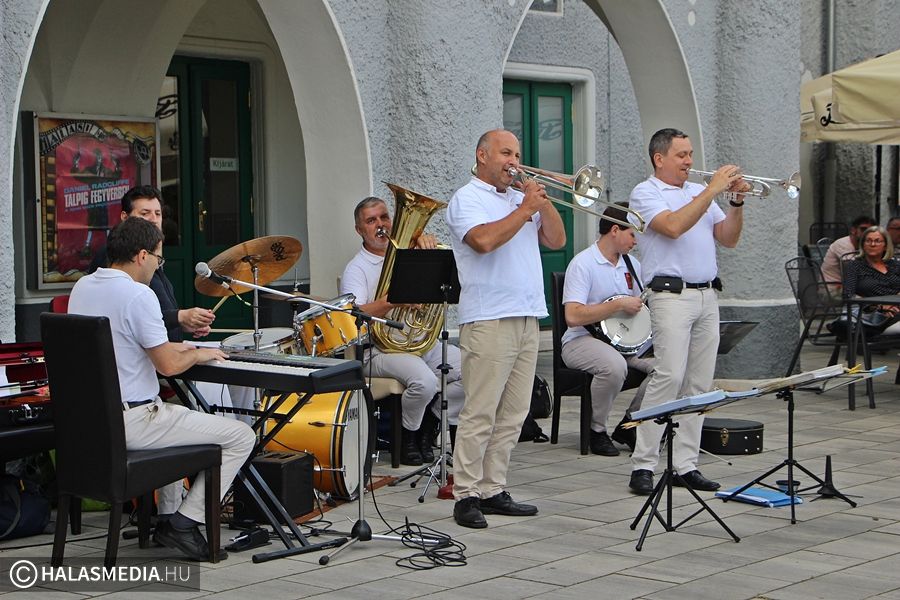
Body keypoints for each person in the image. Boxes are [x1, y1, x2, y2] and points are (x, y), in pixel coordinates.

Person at [69, 217, 255, 561]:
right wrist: (200, 353)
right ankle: (183, 524)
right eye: (158, 258)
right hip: (135, 422)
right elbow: (167, 365)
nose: (158, 266)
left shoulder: (83, 287)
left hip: (91, 425)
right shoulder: (138, 295)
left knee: (180, 418)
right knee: (241, 436)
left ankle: (171, 516)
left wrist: (186, 350)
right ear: (141, 255)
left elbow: (131, 346)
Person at [446, 129, 565, 528]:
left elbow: (556, 238)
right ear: (482, 155)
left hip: (527, 315)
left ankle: (493, 488)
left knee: (514, 413)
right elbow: (482, 241)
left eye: (517, 152)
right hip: (488, 318)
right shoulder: (466, 198)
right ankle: (465, 495)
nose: (514, 161)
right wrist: (524, 208)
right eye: (505, 153)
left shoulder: (520, 199)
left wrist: (541, 202)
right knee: (480, 412)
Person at [626, 128, 748, 495]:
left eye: (691, 154)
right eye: (681, 155)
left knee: (699, 383)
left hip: (707, 295)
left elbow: (728, 238)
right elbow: (674, 227)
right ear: (659, 158)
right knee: (669, 376)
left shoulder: (697, 192)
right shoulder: (645, 193)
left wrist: (736, 204)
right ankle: (643, 464)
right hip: (671, 296)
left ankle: (685, 464)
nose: (690, 162)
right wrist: (713, 189)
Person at [340, 196, 465, 466]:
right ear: (359, 230)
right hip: (378, 348)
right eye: (371, 221)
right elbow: (355, 315)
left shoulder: (409, 253)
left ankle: (432, 420)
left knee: (473, 369)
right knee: (425, 382)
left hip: (417, 343)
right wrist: (394, 299)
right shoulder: (357, 268)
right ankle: (410, 435)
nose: (381, 225)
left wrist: (428, 253)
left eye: (385, 217)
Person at [560, 204, 652, 456]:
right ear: (614, 230)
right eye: (632, 233)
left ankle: (630, 424)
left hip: (624, 341)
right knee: (614, 366)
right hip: (581, 340)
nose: (636, 241)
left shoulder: (632, 265)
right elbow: (573, 316)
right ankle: (596, 430)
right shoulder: (583, 264)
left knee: (667, 368)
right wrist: (618, 305)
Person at [88, 186, 215, 341]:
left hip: (168, 351)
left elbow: (158, 313)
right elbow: (125, 315)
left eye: (158, 213)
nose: (153, 219)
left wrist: (184, 322)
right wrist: (179, 316)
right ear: (124, 217)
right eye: (145, 213)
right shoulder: (114, 255)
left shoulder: (152, 253)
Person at [842, 226, 900, 335]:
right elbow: (848, 295)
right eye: (868, 241)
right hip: (872, 315)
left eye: (877, 241)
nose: (872, 244)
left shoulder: (895, 265)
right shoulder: (855, 266)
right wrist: (880, 306)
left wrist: (894, 304)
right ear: (863, 245)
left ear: (885, 245)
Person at [821, 215, 876, 285]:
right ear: (853, 230)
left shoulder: (864, 245)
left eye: (870, 231)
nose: (866, 233)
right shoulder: (842, 244)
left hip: (851, 286)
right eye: (863, 229)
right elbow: (853, 270)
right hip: (833, 288)